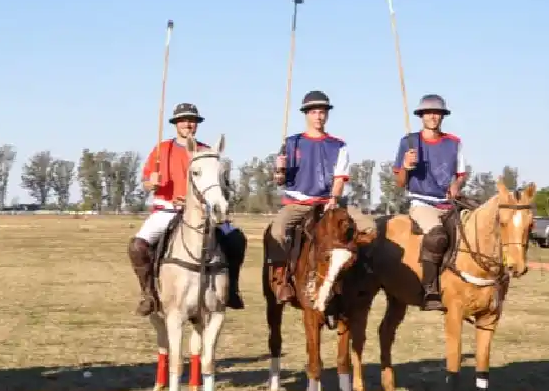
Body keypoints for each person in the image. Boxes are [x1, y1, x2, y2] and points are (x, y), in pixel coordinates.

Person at [126, 102, 246, 316]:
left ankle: (231, 290)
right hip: (168, 210)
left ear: (197, 125)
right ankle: (149, 294)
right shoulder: (162, 149)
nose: (188, 124)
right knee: (137, 246)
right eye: (183, 120)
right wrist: (150, 183)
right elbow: (146, 182)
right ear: (175, 124)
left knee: (236, 238)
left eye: (192, 120)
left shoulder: (205, 151)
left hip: (203, 213)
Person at [267, 90, 376, 304]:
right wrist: (279, 170)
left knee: (369, 226)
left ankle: (362, 275)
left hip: (329, 201)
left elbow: (339, 178)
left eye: (322, 112)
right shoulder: (291, 143)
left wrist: (334, 199)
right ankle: (281, 280)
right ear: (306, 114)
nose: (319, 116)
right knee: (277, 231)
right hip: (298, 203)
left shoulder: (338, 145)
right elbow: (280, 181)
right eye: (314, 112)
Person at [392, 94, 467, 311]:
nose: (433, 117)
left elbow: (461, 174)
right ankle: (430, 290)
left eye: (438, 113)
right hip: (422, 202)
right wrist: (406, 166)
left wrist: (456, 186)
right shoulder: (408, 142)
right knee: (437, 236)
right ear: (421, 116)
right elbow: (399, 183)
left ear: (443, 116)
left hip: (448, 203)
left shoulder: (454, 143)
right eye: (429, 113)